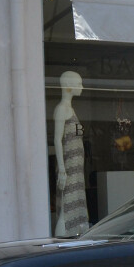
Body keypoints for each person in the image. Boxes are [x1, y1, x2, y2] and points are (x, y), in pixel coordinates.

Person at [52, 70, 90, 237]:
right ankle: (62, 234)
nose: (81, 88)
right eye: (78, 84)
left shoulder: (70, 109)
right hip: (69, 164)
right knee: (68, 200)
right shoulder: (61, 109)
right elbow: (57, 140)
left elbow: (77, 134)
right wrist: (62, 168)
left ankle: (77, 230)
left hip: (76, 165)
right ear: (69, 87)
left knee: (75, 198)